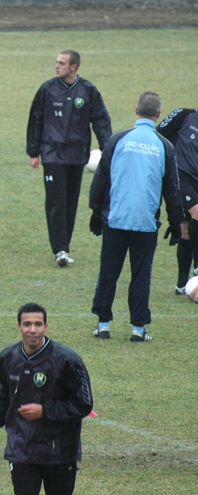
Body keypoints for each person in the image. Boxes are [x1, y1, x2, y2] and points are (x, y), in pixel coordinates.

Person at [89, 92, 183, 342]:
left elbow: (101, 179)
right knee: (141, 275)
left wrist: (95, 213)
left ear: (136, 111)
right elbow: (172, 190)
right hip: (146, 223)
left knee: (108, 272)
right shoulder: (164, 146)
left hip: (116, 219)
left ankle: (103, 324)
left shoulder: (118, 139)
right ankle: (138, 329)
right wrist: (176, 224)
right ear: (158, 115)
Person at [0, 303, 93, 495]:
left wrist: (44, 410)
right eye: (27, 324)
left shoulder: (68, 360)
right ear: (18, 326)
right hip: (21, 449)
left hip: (59, 451)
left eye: (37, 324)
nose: (32, 330)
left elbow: (84, 404)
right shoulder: (7, 357)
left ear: (46, 326)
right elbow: (1, 394)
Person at [26, 49, 112, 267]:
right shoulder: (47, 89)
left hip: (76, 156)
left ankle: (64, 246)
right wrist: (33, 152)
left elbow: (100, 120)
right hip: (52, 155)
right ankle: (60, 250)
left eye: (62, 63)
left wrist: (107, 149)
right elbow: (35, 119)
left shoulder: (88, 90)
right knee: (56, 203)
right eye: (56, 62)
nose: (56, 66)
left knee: (70, 203)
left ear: (74, 67)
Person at [156, 107, 198, 294]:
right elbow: (158, 134)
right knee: (197, 212)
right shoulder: (184, 115)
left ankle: (182, 285)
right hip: (180, 176)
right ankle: (197, 267)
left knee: (185, 230)